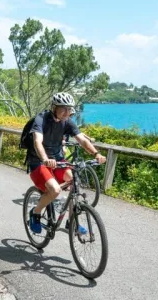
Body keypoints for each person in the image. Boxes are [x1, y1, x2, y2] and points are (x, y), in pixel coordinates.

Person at [26, 92, 106, 234]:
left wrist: (96, 153)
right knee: (55, 190)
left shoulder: (67, 121)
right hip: (38, 161)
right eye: (63, 108)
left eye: (69, 109)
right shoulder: (41, 119)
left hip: (58, 160)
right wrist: (45, 159)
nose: (66, 112)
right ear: (54, 107)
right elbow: (37, 141)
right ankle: (35, 213)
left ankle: (72, 223)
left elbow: (82, 140)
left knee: (74, 182)